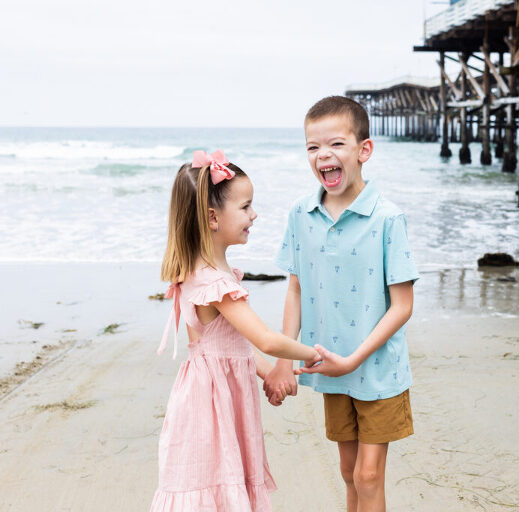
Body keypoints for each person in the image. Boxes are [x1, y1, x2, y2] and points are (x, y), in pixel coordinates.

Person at [268, 96, 419, 512]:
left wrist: (354, 359)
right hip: (329, 364)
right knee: (349, 471)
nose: (323, 156)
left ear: (363, 150)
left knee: (369, 476)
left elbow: (402, 306)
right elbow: (296, 289)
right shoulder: (301, 213)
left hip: (378, 369)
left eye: (335, 144)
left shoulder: (388, 218)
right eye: (313, 148)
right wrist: (283, 358)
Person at [150, 149, 320, 511]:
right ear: (213, 217)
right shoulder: (215, 283)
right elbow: (266, 339)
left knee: (220, 484)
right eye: (245, 207)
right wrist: (315, 354)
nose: (253, 214)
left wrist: (272, 374)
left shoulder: (203, 272)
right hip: (211, 406)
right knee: (216, 485)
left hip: (211, 396)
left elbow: (232, 349)